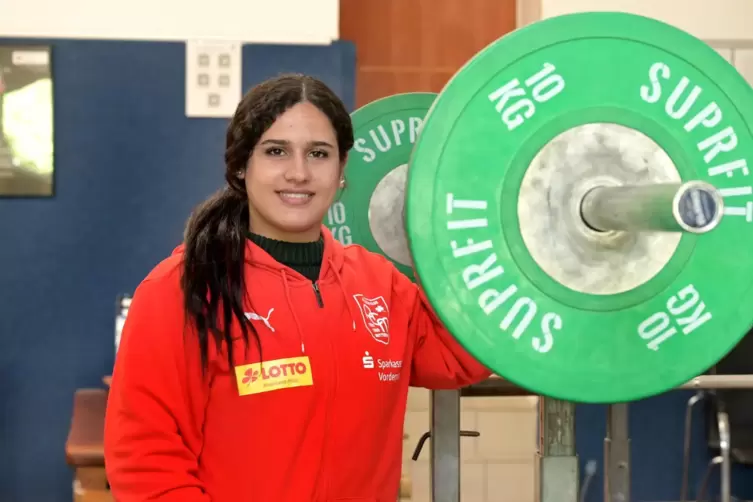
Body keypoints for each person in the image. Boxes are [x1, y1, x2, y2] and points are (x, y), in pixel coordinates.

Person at [103, 73, 492, 502]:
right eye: (276, 151)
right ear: (239, 165)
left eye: (318, 154)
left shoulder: (380, 286)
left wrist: (467, 227)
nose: (299, 173)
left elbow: (469, 350)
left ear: (342, 169)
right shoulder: (180, 290)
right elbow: (146, 464)